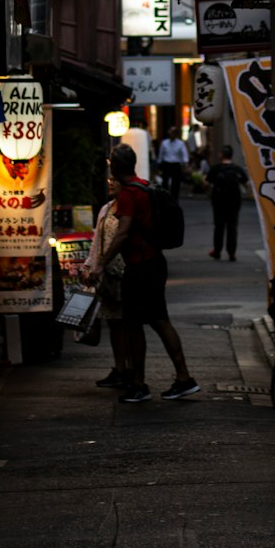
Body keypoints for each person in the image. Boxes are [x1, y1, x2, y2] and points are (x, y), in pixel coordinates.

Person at [93, 142, 199, 404]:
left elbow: (124, 230)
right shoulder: (144, 186)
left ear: (115, 167)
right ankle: (183, 378)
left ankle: (139, 384)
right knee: (160, 320)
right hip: (154, 262)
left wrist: (101, 262)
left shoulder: (129, 193)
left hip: (140, 266)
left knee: (133, 324)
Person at [80, 176, 129, 388]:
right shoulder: (106, 208)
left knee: (126, 323)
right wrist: (89, 265)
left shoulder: (129, 209)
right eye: (109, 179)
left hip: (124, 273)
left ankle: (132, 370)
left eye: (115, 180)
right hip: (106, 273)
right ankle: (120, 368)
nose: (110, 183)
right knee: (113, 321)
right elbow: (96, 241)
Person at [206, 144, 248, 262]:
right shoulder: (237, 169)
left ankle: (217, 251)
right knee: (232, 227)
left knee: (219, 227)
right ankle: (231, 253)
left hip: (219, 202)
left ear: (221, 155)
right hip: (234, 202)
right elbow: (246, 184)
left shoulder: (216, 169)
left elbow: (207, 184)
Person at [156, 128, 190, 202]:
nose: (171, 135)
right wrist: (159, 163)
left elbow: (184, 154)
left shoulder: (180, 143)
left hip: (176, 165)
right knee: (165, 182)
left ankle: (174, 199)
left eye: (173, 133)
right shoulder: (164, 143)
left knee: (176, 183)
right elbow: (161, 154)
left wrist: (185, 163)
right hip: (167, 164)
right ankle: (165, 198)